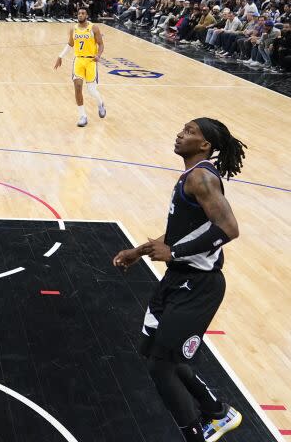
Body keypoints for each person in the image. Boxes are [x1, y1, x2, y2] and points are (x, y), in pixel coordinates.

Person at [113, 118, 246, 442]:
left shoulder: (202, 177)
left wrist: (175, 252)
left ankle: (194, 435)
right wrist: (139, 251)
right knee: (155, 353)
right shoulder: (191, 176)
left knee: (161, 366)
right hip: (178, 280)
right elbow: (178, 234)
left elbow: (229, 228)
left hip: (199, 286)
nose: (180, 134)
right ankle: (218, 412)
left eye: (190, 132)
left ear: (205, 146)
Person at [53, 7, 106, 127]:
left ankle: (100, 103)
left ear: (86, 15)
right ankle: (83, 116)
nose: (80, 15)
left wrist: (98, 55)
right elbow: (70, 44)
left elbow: (101, 44)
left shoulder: (94, 28)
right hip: (78, 60)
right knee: (77, 87)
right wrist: (60, 56)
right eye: (79, 13)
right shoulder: (73, 29)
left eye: (83, 13)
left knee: (92, 91)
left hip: (91, 61)